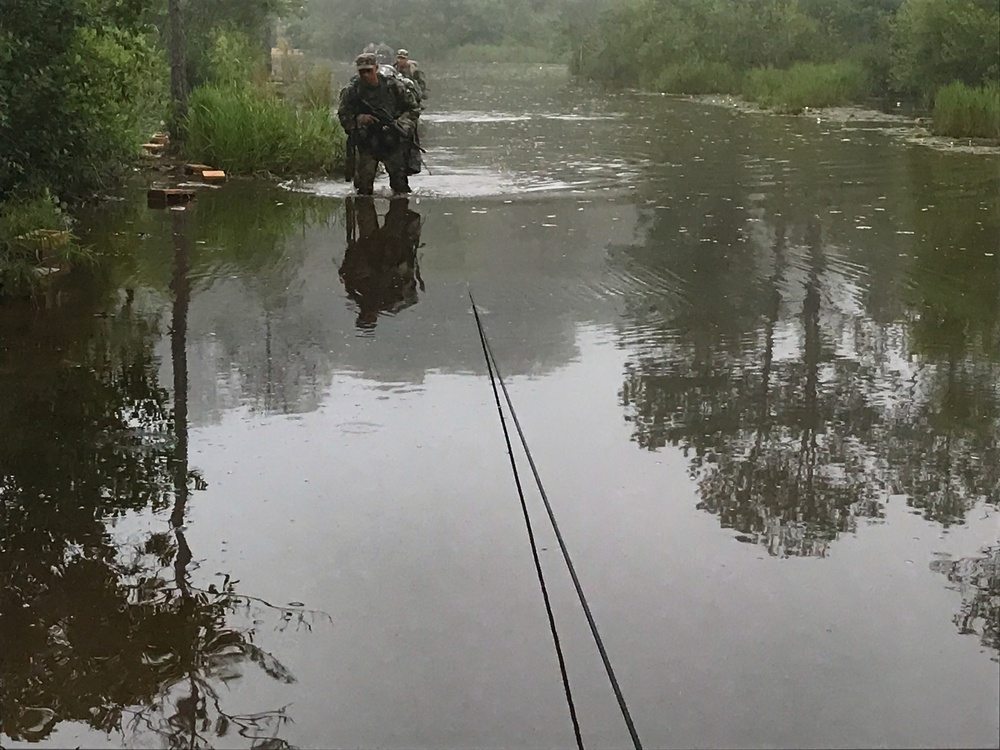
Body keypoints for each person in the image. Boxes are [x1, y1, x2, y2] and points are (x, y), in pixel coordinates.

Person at [337, 52, 422, 195]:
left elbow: (413, 109)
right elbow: (344, 114)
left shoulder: (393, 86)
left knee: (400, 186)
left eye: (368, 71)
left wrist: (400, 125)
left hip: (392, 140)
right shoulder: (353, 90)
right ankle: (364, 212)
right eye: (361, 71)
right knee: (364, 188)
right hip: (367, 141)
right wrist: (359, 119)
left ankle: (401, 213)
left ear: (376, 68)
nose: (365, 75)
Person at [339, 196, 424, 330]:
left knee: (366, 206)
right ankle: (396, 191)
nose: (368, 315)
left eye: (365, 317)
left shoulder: (356, 294)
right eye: (369, 318)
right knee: (396, 211)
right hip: (388, 249)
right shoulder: (390, 301)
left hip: (375, 247)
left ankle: (393, 188)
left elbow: (347, 271)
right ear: (375, 318)